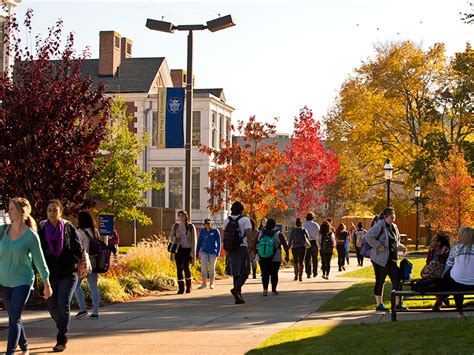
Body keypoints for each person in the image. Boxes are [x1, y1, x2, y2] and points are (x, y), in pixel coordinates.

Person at [0, 198, 53, 355]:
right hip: (4, 281)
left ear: (22, 212)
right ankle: (24, 346)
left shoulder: (31, 236)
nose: (8, 212)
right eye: (8, 209)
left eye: (12, 209)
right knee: (13, 316)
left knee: (14, 318)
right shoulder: (3, 230)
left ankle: (10, 352)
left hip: (22, 282)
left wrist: (47, 284)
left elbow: (40, 261)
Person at [38, 199, 83, 352]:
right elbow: (38, 251)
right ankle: (63, 325)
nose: (51, 213)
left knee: (63, 305)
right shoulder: (42, 229)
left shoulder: (68, 228)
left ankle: (62, 338)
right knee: (52, 306)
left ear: (60, 212)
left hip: (68, 273)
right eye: (49, 210)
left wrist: (70, 262)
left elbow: (78, 249)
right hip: (50, 274)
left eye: (55, 210)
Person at [365, 207, 407, 312]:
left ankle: (398, 304)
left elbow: (395, 242)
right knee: (380, 280)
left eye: (394, 217)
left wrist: (401, 247)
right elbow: (368, 236)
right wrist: (378, 246)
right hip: (380, 259)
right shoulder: (380, 225)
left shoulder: (394, 227)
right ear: (385, 217)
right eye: (391, 217)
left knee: (397, 280)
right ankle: (379, 304)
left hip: (392, 259)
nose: (393, 219)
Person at [223, 201, 253, 304]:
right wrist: (252, 250)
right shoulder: (245, 220)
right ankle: (236, 290)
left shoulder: (227, 220)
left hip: (231, 249)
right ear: (242, 210)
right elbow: (249, 236)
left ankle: (238, 297)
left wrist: (226, 249)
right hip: (242, 248)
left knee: (236, 273)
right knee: (245, 272)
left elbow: (224, 236)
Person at [73, 210, 101, 319]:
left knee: (76, 285)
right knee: (94, 287)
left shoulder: (79, 232)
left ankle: (82, 308)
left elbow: (78, 248)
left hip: (83, 262)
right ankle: (95, 312)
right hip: (94, 262)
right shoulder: (95, 232)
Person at [444, 226, 474, 318]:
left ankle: (460, 312)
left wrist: (443, 275)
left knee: (450, 273)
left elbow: (448, 264)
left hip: (458, 283)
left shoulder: (456, 248)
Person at [257, 218, 289, 295]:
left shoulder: (261, 232)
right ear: (275, 225)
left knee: (264, 273)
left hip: (262, 256)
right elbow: (285, 245)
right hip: (276, 257)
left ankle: (265, 290)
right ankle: (274, 290)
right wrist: (287, 255)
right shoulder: (279, 234)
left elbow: (255, 242)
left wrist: (256, 252)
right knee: (274, 273)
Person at [169, 210, 197, 294]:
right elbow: (171, 237)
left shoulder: (190, 226)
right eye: (179, 215)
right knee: (179, 268)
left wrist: (193, 251)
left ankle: (189, 286)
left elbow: (194, 240)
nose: (181, 217)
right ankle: (181, 288)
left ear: (186, 217)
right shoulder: (175, 226)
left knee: (186, 266)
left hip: (187, 249)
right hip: (178, 249)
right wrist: (175, 237)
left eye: (183, 216)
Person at [421, 233, 450, 311]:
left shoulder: (446, 251)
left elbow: (446, 265)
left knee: (437, 282)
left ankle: (439, 302)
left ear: (439, 243)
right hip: (433, 273)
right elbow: (428, 262)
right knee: (427, 282)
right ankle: (442, 298)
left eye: (434, 240)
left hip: (443, 274)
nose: (431, 241)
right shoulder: (431, 250)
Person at [196, 218, 221, 289]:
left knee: (211, 268)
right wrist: (197, 252)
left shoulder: (215, 231)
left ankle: (211, 283)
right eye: (206, 223)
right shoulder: (203, 231)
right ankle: (204, 283)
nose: (208, 225)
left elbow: (218, 242)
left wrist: (218, 252)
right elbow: (199, 242)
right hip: (204, 251)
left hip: (213, 252)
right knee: (203, 267)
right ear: (205, 224)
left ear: (211, 224)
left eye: (209, 223)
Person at [303, 212, 320, 278]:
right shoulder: (316, 225)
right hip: (314, 242)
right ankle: (315, 272)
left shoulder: (304, 225)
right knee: (314, 258)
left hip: (307, 242)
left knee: (307, 258)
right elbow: (319, 234)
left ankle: (308, 273)